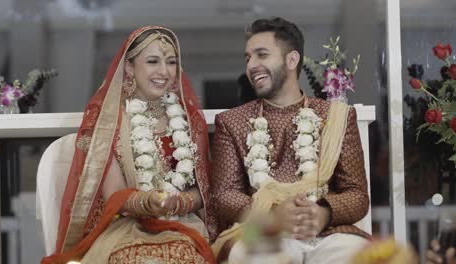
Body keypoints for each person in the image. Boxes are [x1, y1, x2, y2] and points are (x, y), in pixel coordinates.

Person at [42, 26, 217, 263]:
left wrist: (179, 202)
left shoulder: (187, 121)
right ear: (129, 67)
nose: (164, 71)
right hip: (127, 226)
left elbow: (204, 190)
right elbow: (114, 194)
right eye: (153, 61)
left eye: (172, 62)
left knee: (183, 256)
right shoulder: (109, 125)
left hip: (182, 224)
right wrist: (148, 202)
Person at [210, 17, 370, 263]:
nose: (251, 65)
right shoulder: (232, 122)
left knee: (357, 254)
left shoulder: (337, 117)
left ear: (292, 59)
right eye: (248, 58)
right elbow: (225, 195)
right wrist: (274, 214)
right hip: (262, 230)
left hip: (327, 233)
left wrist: (322, 213)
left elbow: (357, 194)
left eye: (261, 55)